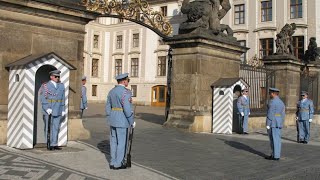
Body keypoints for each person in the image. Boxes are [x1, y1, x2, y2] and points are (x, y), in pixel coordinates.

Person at [105, 73, 135, 170]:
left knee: (113, 141)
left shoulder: (112, 91)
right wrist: (131, 120)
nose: (128, 82)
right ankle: (118, 163)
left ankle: (113, 162)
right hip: (122, 120)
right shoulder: (126, 93)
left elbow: (108, 106)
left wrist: (110, 117)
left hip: (113, 119)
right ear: (124, 81)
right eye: (127, 80)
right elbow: (127, 108)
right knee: (122, 142)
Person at [39, 70, 66, 151]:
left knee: (56, 127)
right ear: (51, 77)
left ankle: (54, 143)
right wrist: (46, 108)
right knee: (48, 127)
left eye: (58, 76)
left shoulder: (61, 86)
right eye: (55, 76)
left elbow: (63, 98)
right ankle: (49, 143)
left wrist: (63, 109)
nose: (57, 78)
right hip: (49, 109)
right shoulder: (46, 86)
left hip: (58, 108)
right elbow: (43, 98)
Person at [265, 88, 285, 161]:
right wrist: (281, 122)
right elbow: (283, 114)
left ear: (273, 93)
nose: (269, 94)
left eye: (270, 93)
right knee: (276, 139)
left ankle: (275, 156)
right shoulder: (281, 102)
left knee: (273, 139)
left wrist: (268, 123)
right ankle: (274, 154)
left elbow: (270, 113)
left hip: (272, 122)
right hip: (278, 121)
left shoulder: (272, 102)